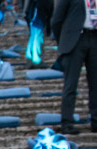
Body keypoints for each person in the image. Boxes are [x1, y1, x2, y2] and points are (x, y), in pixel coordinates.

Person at [52, 0, 97, 135]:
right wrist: (64, 40)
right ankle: (67, 121)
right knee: (70, 84)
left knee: (95, 84)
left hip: (94, 37)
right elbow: (56, 20)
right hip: (76, 40)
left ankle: (95, 120)